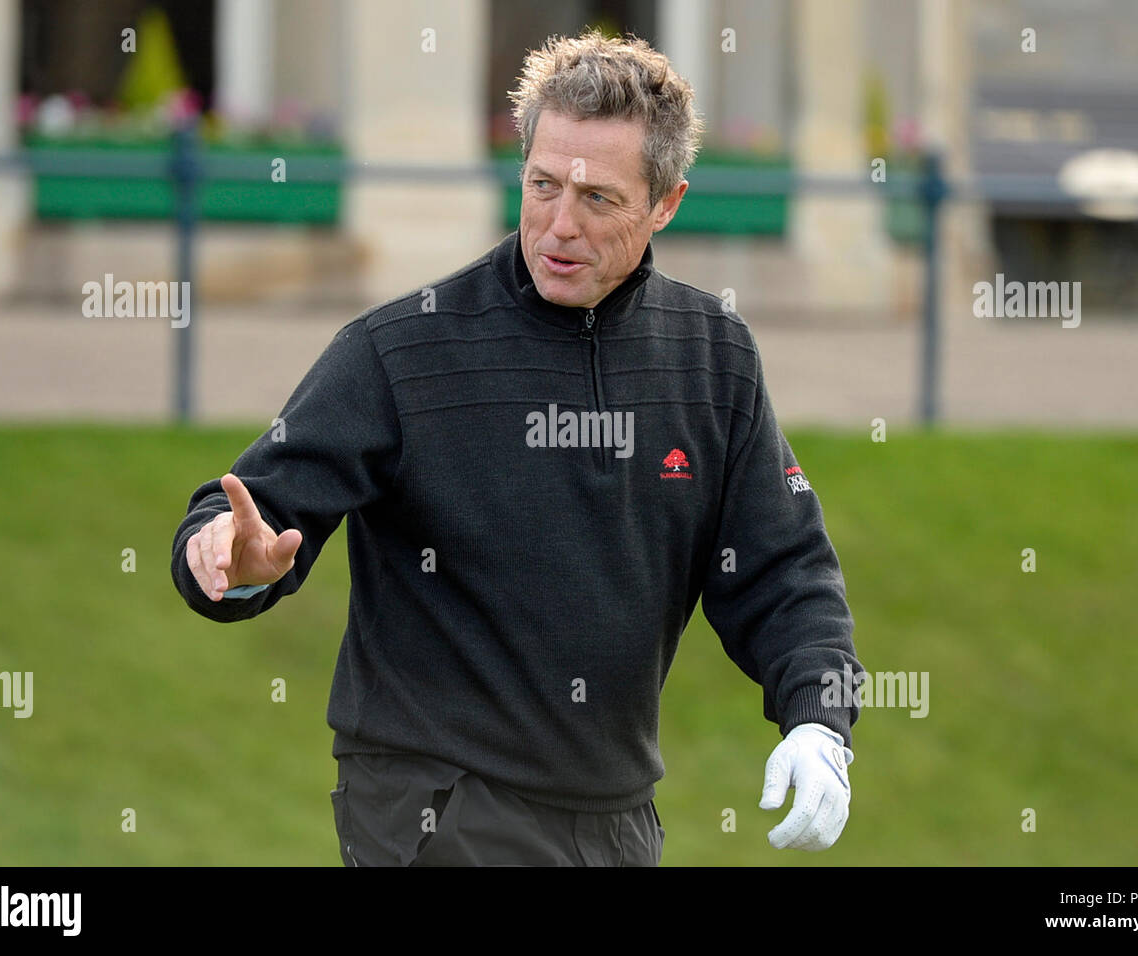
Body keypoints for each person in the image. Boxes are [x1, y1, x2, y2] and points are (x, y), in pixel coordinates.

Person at [171, 29, 864, 866]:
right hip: (435, 806)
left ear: (667, 203)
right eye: (541, 185)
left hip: (616, 816)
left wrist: (820, 720)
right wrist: (226, 561)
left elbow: (782, 571)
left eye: (599, 199)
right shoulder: (401, 350)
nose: (559, 225)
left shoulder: (715, 353)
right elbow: (247, 507)